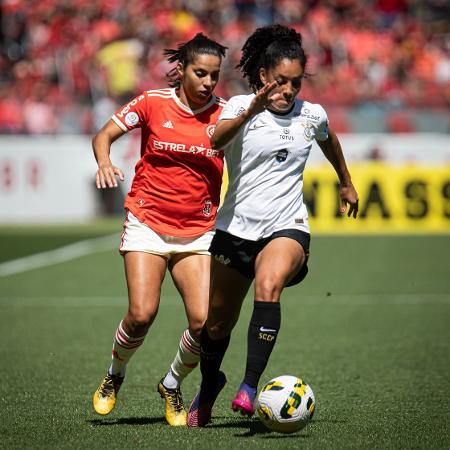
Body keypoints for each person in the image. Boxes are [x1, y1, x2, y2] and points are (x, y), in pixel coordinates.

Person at [187, 24, 359, 427]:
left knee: (269, 286)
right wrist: (253, 109)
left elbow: (329, 140)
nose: (289, 90)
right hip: (236, 229)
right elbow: (215, 141)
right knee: (215, 324)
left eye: (296, 83)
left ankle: (249, 385)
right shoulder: (237, 107)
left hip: (288, 224)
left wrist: (346, 182)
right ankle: (210, 385)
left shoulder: (312, 114)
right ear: (263, 76)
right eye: (280, 81)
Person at [91, 33, 227, 427]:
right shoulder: (152, 102)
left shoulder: (225, 114)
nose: (207, 82)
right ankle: (115, 374)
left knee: (205, 324)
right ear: (181, 70)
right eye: (200, 73)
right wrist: (103, 161)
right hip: (147, 222)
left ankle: (171, 382)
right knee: (141, 314)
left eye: (214, 76)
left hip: (198, 230)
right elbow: (105, 135)